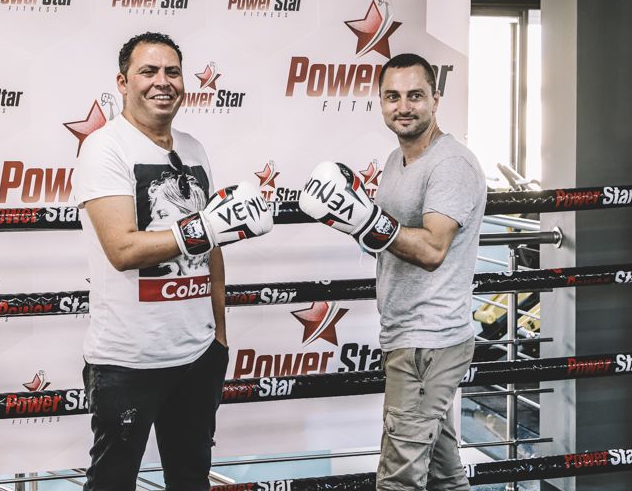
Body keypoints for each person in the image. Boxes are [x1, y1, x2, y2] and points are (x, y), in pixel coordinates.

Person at [73, 32, 273, 491]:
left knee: (190, 480)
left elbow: (213, 248)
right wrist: (206, 227)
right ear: (123, 82)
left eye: (172, 72)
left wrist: (219, 335)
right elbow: (122, 249)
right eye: (148, 71)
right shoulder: (105, 147)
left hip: (198, 354)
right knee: (112, 483)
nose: (162, 81)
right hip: (127, 361)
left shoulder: (193, 148)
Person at [299, 53, 486, 491]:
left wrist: (365, 218)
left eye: (415, 96)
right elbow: (386, 240)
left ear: (435, 100)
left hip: (430, 339)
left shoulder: (450, 164)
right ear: (381, 102)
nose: (403, 107)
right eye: (393, 97)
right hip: (405, 333)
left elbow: (433, 248)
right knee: (442, 472)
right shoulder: (395, 161)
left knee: (399, 478)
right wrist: (349, 219)